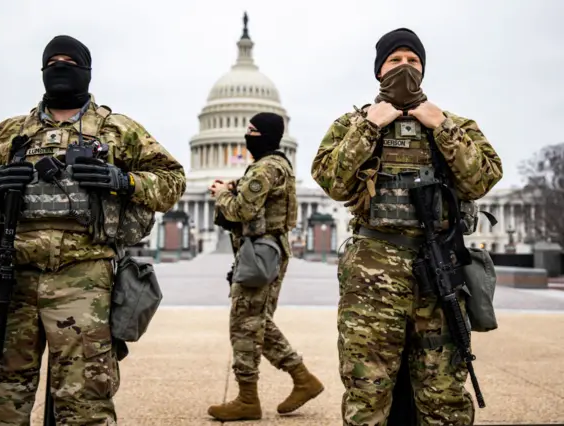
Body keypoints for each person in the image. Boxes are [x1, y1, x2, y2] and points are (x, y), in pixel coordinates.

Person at [0, 34, 186, 425]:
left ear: (87, 71)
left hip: (86, 277)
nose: (61, 68)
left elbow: (172, 180)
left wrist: (123, 181)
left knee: (85, 400)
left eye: (70, 61)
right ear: (42, 71)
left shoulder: (118, 130)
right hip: (17, 274)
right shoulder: (10, 133)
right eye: (53, 61)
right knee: (0, 394)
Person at [311, 28, 503, 425]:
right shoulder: (352, 123)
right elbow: (331, 181)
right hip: (372, 272)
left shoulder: (454, 123)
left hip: (439, 272)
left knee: (444, 392)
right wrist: (370, 126)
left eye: (413, 61)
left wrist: (441, 126)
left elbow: (482, 179)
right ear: (379, 69)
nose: (404, 67)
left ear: (424, 70)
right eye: (395, 60)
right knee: (368, 392)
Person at [206, 112, 324, 422]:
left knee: (245, 322)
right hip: (269, 250)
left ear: (266, 135)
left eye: (252, 130)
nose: (246, 135)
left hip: (260, 251)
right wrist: (236, 186)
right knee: (257, 320)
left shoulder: (265, 168)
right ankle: (302, 378)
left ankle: (248, 399)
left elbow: (242, 210)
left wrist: (221, 196)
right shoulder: (279, 165)